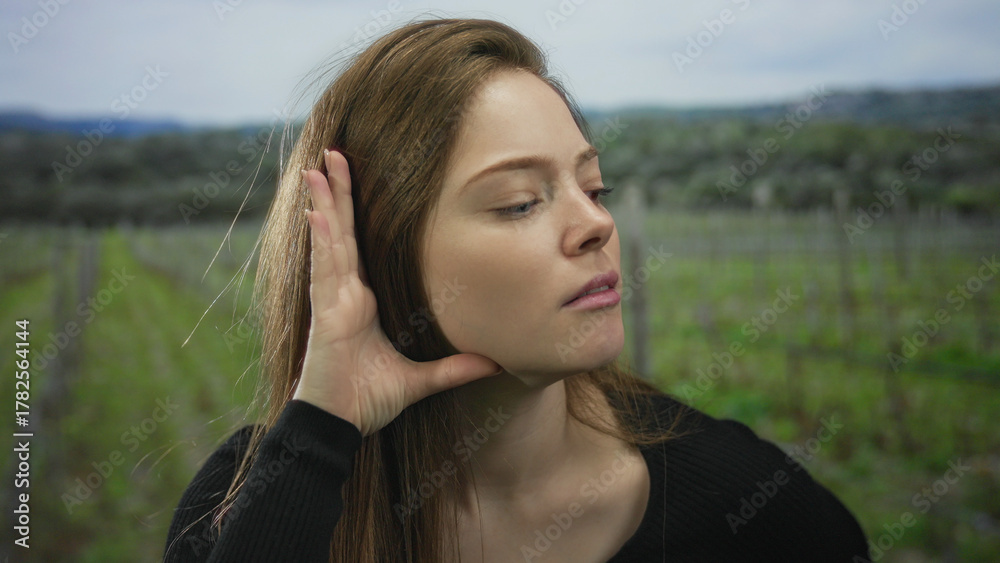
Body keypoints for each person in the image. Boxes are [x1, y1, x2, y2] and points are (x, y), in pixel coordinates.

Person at [163, 17, 870, 562]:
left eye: (595, 187)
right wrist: (320, 429)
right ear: (383, 254)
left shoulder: (746, 505)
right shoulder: (248, 506)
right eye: (520, 202)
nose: (595, 223)